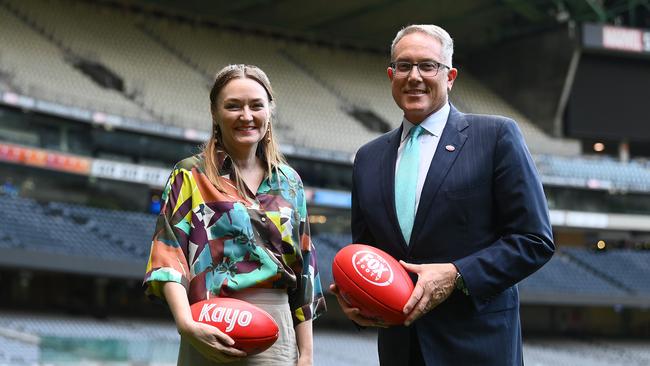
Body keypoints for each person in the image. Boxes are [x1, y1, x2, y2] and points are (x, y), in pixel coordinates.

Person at [330, 24, 554, 365]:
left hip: (478, 347)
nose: (414, 76)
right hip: (400, 349)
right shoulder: (368, 158)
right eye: (404, 66)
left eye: (427, 66)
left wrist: (457, 274)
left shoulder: (495, 137)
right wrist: (356, 298)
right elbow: (369, 254)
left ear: (449, 76)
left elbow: (534, 239)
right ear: (391, 75)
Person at [144, 64, 326, 365]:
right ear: (215, 113)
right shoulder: (190, 174)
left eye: (256, 105)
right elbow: (168, 256)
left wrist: (306, 354)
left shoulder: (290, 182)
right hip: (208, 325)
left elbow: (305, 268)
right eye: (233, 106)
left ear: (270, 111)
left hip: (276, 332)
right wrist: (186, 323)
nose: (246, 116)